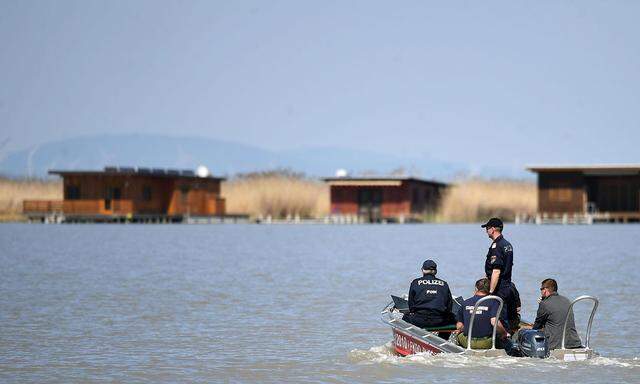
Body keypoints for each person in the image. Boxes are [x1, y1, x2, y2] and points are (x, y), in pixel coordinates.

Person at [481, 217, 517, 331]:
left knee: (499, 318)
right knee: (504, 315)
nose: (486, 231)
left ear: (492, 229)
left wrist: (490, 292)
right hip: (507, 285)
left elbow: (496, 271)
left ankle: (504, 345)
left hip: (499, 288)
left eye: (487, 228)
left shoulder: (497, 246)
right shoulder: (507, 244)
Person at [403, 260, 456, 332]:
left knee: (405, 317)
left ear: (422, 270)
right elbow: (449, 306)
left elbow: (411, 306)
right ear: (435, 271)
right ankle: (442, 340)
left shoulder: (415, 282)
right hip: (439, 321)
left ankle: (412, 339)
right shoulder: (444, 284)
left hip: (419, 320)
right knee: (452, 318)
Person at [529, 278, 582, 350]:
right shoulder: (567, 300)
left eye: (541, 289)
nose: (541, 291)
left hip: (555, 345)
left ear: (545, 290)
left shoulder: (544, 304)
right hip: (574, 343)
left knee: (525, 334)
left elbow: (537, 326)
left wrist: (541, 303)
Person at [455, 278, 508, 349]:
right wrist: (504, 333)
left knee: (458, 335)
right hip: (486, 343)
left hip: (467, 343)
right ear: (489, 289)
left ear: (476, 288)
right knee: (504, 339)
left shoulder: (465, 303)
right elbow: (494, 322)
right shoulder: (494, 302)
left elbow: (459, 326)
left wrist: (461, 330)